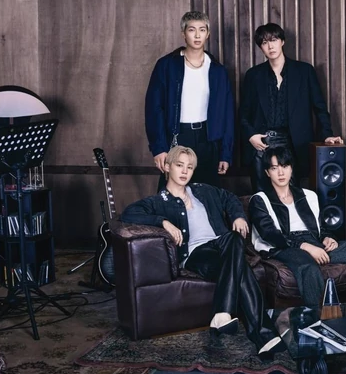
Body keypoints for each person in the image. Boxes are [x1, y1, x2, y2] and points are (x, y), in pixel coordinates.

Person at [119, 146, 286, 359]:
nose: (184, 171)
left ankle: (223, 315)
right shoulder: (158, 202)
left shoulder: (203, 191)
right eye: (179, 165)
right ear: (167, 167)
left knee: (234, 239)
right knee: (240, 266)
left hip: (223, 247)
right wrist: (163, 221)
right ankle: (261, 334)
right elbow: (128, 214)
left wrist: (238, 216)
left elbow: (230, 198)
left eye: (189, 167)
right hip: (196, 255)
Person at [249, 146, 346, 309]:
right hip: (284, 246)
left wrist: (327, 237)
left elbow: (320, 228)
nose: (281, 173)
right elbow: (270, 234)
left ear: (291, 168)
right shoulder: (260, 200)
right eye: (274, 168)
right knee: (308, 266)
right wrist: (305, 246)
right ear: (267, 172)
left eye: (284, 166)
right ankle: (318, 317)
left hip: (313, 243)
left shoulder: (308, 195)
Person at [239, 23, 343, 191]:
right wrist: (251, 135)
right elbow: (243, 113)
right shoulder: (254, 75)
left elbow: (320, 108)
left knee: (292, 194)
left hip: (293, 142)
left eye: (274, 40)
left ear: (282, 41)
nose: (270, 46)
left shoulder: (304, 71)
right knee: (262, 195)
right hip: (261, 142)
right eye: (265, 42)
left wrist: (327, 135)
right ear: (261, 47)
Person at [144, 11, 235, 190]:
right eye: (192, 30)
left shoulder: (217, 70)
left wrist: (226, 153)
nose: (197, 35)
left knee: (208, 194)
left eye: (202, 30)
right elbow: (154, 108)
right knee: (172, 193)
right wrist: (159, 147)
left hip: (208, 138)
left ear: (208, 34)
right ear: (183, 34)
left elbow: (227, 114)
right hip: (178, 135)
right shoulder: (166, 66)